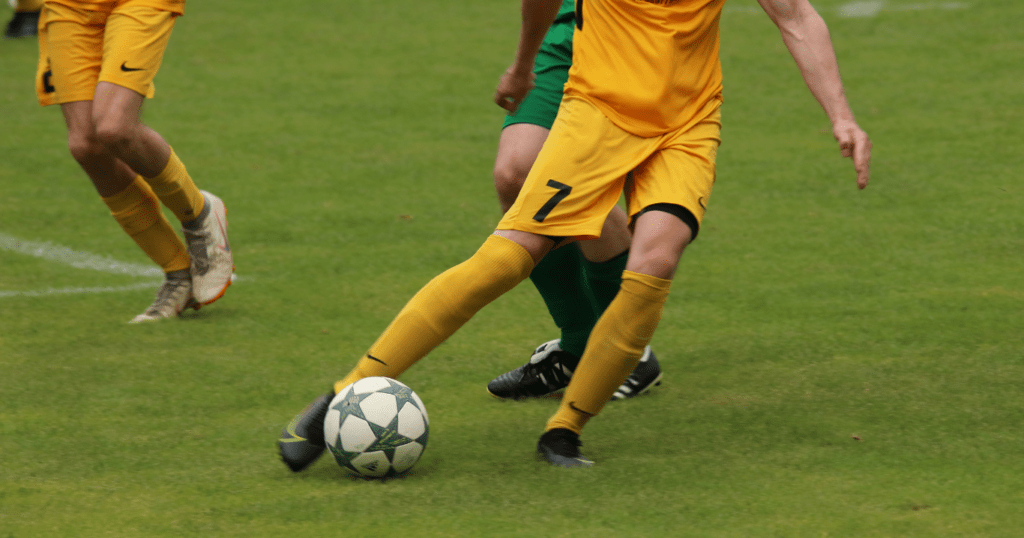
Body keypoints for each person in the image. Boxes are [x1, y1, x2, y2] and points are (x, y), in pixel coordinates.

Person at [279, 0, 871, 470]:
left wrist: (841, 115)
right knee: (508, 257)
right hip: (597, 114)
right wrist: (526, 60)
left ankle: (564, 431)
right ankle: (342, 392)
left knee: (657, 258)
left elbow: (795, 15)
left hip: (687, 124)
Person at [488, 0, 662, 403]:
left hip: (637, 40)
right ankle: (581, 345)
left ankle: (627, 352)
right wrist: (523, 64)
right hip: (568, 31)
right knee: (516, 175)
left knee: (578, 185)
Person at [35, 0, 233, 322]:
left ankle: (198, 214)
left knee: (115, 127)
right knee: (87, 146)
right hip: (68, 6)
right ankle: (177, 274)